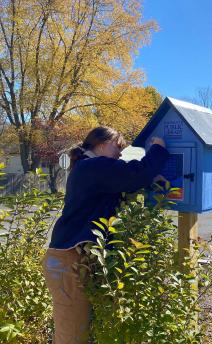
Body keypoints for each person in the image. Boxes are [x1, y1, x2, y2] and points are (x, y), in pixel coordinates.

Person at [42, 126, 169, 344]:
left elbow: (127, 183)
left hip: (73, 260)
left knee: (80, 331)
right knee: (71, 335)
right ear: (101, 143)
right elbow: (134, 174)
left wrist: (148, 179)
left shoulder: (91, 169)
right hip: (68, 261)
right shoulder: (93, 166)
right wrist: (158, 149)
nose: (121, 152)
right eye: (118, 146)